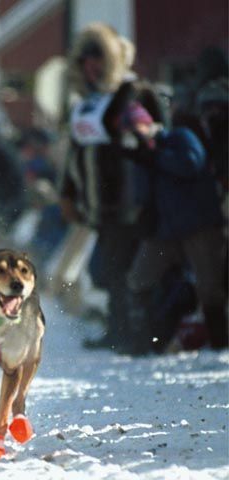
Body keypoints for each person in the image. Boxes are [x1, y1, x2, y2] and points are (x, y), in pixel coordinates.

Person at [59, 23, 150, 351]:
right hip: (98, 205)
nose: (91, 68)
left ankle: (133, 333)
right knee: (105, 272)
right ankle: (118, 329)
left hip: (131, 201)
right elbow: (76, 154)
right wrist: (67, 193)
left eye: (98, 60)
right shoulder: (85, 103)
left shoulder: (133, 94)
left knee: (121, 271)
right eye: (85, 62)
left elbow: (151, 140)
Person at [122, 102, 228, 352]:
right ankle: (145, 341)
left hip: (199, 225)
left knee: (209, 287)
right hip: (165, 232)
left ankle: (219, 344)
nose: (133, 134)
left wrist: (155, 155)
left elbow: (192, 163)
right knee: (139, 279)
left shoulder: (179, 137)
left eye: (135, 126)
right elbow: (142, 196)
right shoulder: (140, 154)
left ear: (147, 123)